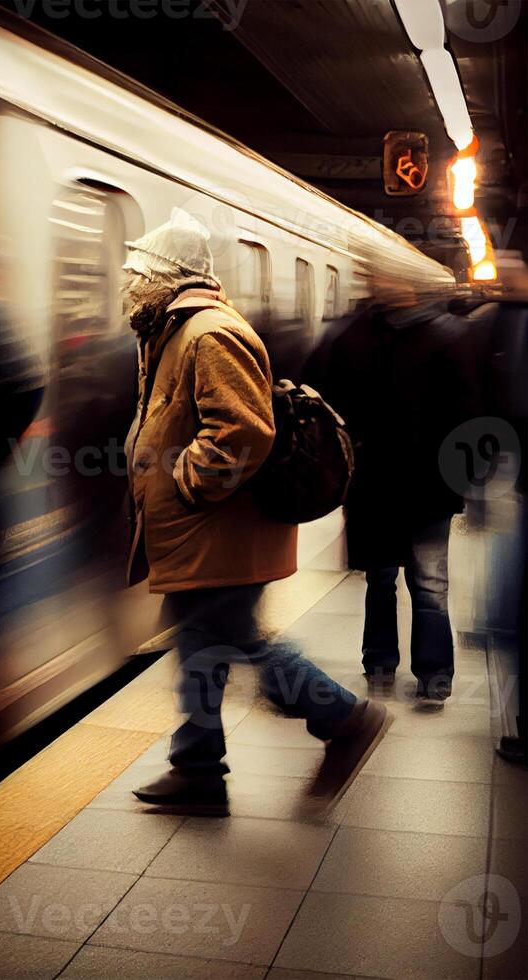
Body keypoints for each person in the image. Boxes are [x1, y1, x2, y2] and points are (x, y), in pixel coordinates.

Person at [123, 209, 388, 813]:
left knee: (233, 639)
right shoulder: (172, 329)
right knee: (205, 644)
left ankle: (342, 716)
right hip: (206, 532)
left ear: (168, 275)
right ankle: (198, 767)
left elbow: (243, 429)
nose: (129, 283)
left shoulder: (207, 333)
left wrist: (188, 482)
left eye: (139, 272)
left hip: (218, 528)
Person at [305, 283, 478, 709]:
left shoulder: (442, 335)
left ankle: (431, 674)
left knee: (426, 582)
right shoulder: (356, 336)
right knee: (387, 579)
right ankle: (384, 664)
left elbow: (469, 413)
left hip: (420, 485)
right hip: (384, 484)